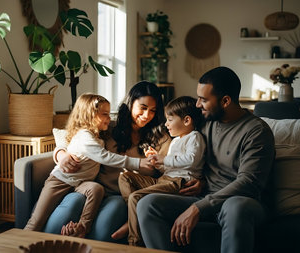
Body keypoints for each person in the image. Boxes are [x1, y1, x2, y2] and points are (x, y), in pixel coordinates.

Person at [137, 66, 275, 253]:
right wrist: (200, 181)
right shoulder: (205, 124)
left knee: (235, 206)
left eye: (203, 100)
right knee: (147, 204)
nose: (197, 105)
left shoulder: (256, 131)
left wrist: (198, 208)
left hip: (241, 202)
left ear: (225, 101)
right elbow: (194, 157)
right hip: (204, 196)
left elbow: (249, 183)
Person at [45, 81, 203, 242]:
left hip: (120, 196)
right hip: (91, 188)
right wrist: (61, 154)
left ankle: (128, 224)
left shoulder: (163, 137)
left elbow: (177, 165)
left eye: (153, 111)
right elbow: (73, 135)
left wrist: (199, 180)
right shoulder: (110, 127)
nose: (147, 115)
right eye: (143, 107)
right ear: (130, 103)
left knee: (101, 232)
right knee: (65, 213)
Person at [24, 93, 152, 237]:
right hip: (60, 181)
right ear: (89, 115)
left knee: (96, 188)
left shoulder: (98, 136)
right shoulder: (84, 136)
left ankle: (83, 227)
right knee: (36, 221)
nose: (109, 119)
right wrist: (138, 163)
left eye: (109, 114)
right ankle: (19, 245)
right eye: (105, 114)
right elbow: (105, 157)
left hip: (81, 184)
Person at [117, 96, 206, 246]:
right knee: (125, 177)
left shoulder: (194, 137)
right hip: (165, 179)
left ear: (187, 121)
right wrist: (156, 162)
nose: (166, 124)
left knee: (135, 197)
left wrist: (163, 159)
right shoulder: (176, 140)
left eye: (170, 120)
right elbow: (170, 167)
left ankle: (134, 243)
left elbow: (191, 160)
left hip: (179, 182)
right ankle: (134, 215)